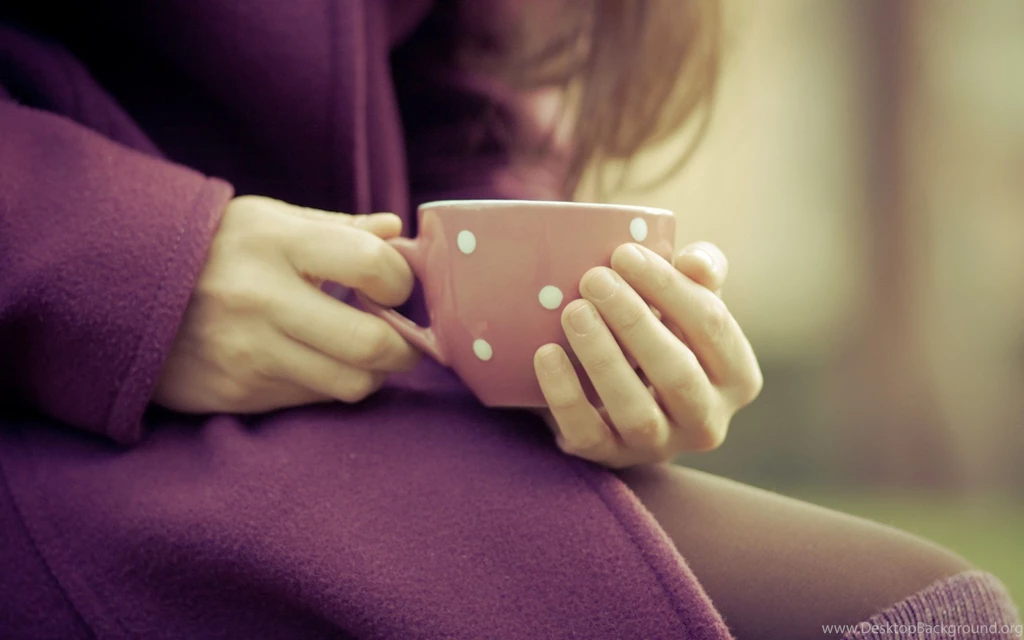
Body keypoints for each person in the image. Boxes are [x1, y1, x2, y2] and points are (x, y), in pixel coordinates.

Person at [0, 1, 1018, 638]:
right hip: (54, 422)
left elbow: (454, 84)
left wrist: (560, 336)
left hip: (329, 404)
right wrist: (124, 263)